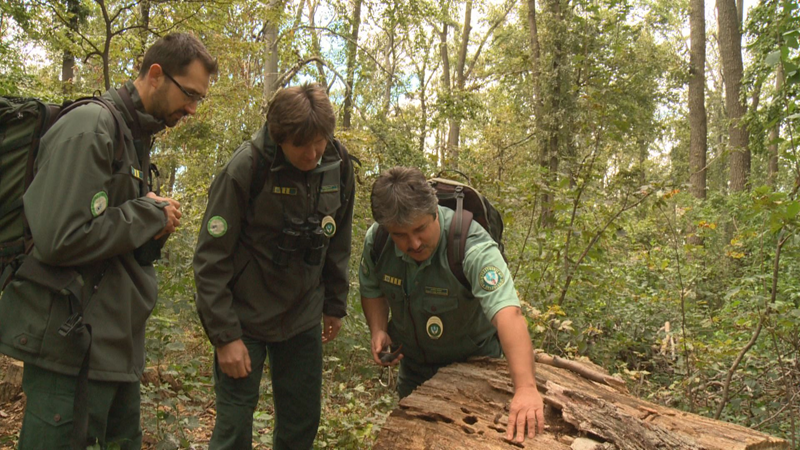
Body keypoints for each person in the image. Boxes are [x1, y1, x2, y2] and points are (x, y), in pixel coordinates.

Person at [0, 33, 216, 449]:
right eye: (189, 94)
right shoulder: (91, 126)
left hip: (112, 348)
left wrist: (150, 225)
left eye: (199, 100)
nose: (191, 108)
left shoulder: (134, 136)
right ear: (156, 75)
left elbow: (109, 234)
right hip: (70, 347)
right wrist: (146, 214)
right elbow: (59, 237)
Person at [193, 83, 355, 450]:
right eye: (302, 145)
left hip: (302, 314)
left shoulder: (338, 165)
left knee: (301, 423)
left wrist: (334, 304)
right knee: (234, 425)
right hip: (244, 317)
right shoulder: (246, 167)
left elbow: (338, 240)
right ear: (279, 137)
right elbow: (210, 259)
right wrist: (225, 336)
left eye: (320, 142)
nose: (313, 154)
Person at [359, 166, 545, 443]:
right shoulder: (378, 241)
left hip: (477, 371)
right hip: (416, 375)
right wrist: (378, 329)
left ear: (435, 211)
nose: (414, 243)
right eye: (401, 235)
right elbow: (372, 288)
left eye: (421, 228)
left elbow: (509, 314)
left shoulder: (471, 245)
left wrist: (526, 388)